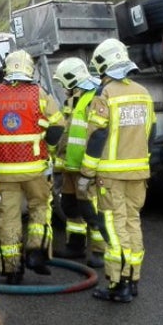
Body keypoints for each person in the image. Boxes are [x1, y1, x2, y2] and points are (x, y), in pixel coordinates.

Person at [0, 49, 65, 284]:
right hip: (34, 168)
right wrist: (46, 145)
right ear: (29, 69)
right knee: (40, 206)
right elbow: (58, 126)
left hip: (3, 171)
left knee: (8, 217)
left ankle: (12, 269)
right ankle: (36, 251)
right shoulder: (39, 94)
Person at [79, 38, 155, 303]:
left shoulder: (106, 95)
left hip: (111, 176)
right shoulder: (143, 93)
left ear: (104, 67)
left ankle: (117, 283)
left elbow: (97, 136)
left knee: (113, 227)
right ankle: (133, 279)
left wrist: (87, 173)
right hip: (138, 173)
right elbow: (151, 133)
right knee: (133, 223)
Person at [52, 57, 106, 268]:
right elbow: (66, 133)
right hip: (70, 167)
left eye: (63, 83)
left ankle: (100, 251)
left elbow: (97, 135)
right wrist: (58, 164)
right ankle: (75, 245)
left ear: (70, 79)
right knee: (70, 207)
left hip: (85, 168)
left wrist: (90, 169)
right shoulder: (73, 100)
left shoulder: (94, 97)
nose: (62, 88)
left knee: (90, 210)